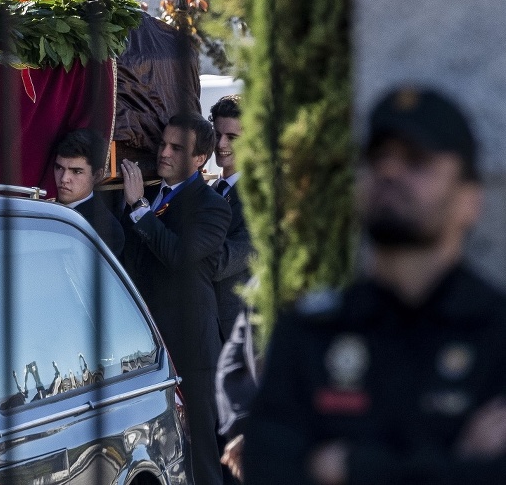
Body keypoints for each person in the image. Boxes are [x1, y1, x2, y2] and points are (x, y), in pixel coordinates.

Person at [243, 85, 506, 484]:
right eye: (376, 158)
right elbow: (269, 466)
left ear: (469, 199)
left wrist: (345, 465)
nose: (389, 172)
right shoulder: (311, 333)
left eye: (417, 161)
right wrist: (456, 466)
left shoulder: (497, 334)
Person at [120, 112, 232, 485]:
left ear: (200, 159)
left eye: (177, 148)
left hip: (192, 350)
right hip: (144, 350)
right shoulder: (151, 196)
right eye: (163, 144)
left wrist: (139, 210)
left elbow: (179, 256)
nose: (164, 153)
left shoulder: (212, 206)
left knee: (200, 454)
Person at [210, 94, 257, 483]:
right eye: (217, 134)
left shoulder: (258, 199)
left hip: (237, 340)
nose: (222, 145)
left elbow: (227, 260)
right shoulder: (209, 190)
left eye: (233, 137)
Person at [53, 129, 124, 256]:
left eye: (76, 171)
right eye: (59, 168)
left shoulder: (108, 230)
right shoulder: (42, 205)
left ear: (97, 176)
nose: (64, 179)